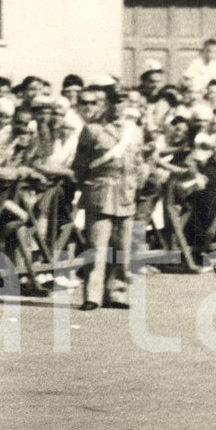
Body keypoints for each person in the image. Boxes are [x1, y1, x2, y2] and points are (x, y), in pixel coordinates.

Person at [72, 86, 144, 310]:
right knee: (96, 246)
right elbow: (80, 165)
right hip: (100, 191)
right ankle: (92, 295)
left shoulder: (135, 131)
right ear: (106, 103)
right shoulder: (93, 130)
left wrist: (136, 184)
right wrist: (86, 185)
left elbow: (139, 162)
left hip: (126, 192)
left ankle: (117, 292)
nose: (117, 105)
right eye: (113, 100)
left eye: (121, 100)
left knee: (122, 247)